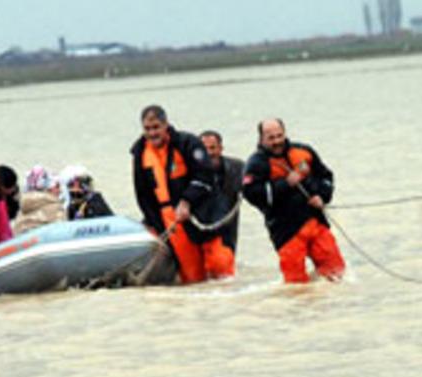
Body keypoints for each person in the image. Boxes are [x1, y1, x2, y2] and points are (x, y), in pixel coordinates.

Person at [242, 118, 345, 283]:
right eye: (271, 138)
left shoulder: (304, 151)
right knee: (295, 283)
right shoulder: (256, 163)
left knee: (337, 274)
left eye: (279, 135)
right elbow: (251, 194)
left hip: (315, 221)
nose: (276, 141)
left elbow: (326, 176)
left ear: (285, 133)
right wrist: (285, 184)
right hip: (286, 230)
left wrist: (322, 196)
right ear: (261, 139)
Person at [131, 105, 217, 284]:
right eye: (147, 129)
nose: (152, 133)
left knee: (216, 265)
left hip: (194, 212)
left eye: (156, 127)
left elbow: (205, 175)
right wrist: (151, 221)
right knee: (190, 273)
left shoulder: (187, 143)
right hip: (166, 217)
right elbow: (142, 193)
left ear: (166, 125)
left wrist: (187, 201)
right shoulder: (140, 153)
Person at [194, 130, 246, 278]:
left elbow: (256, 192)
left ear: (221, 149)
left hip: (225, 232)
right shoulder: (189, 171)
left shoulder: (237, 168)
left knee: (223, 275)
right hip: (197, 231)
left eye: (213, 148)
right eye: (205, 149)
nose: (209, 153)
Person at [12, 165, 66, 235]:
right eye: (57, 186)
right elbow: (61, 236)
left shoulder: (22, 210)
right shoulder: (56, 208)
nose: (60, 190)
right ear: (48, 187)